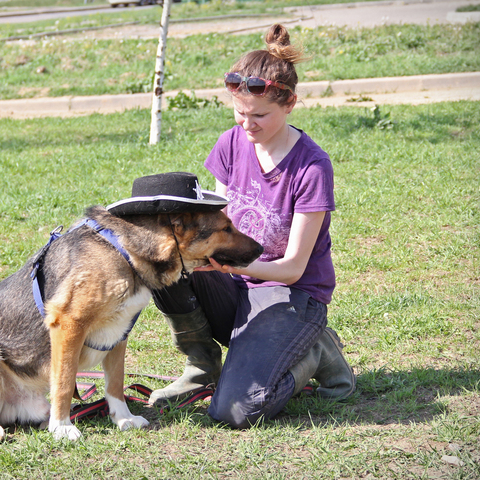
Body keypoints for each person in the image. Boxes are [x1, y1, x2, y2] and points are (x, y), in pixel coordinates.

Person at [149, 24, 355, 428]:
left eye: (260, 115)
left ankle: (312, 351)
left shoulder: (312, 167)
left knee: (237, 411)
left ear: (290, 104)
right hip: (235, 283)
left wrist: (231, 266)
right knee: (163, 260)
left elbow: (294, 267)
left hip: (288, 293)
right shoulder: (230, 143)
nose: (247, 125)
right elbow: (219, 224)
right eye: (239, 113)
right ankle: (202, 367)